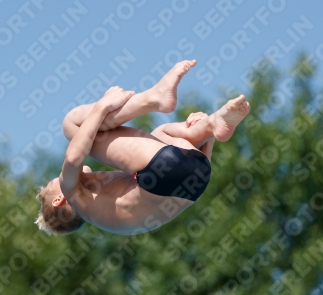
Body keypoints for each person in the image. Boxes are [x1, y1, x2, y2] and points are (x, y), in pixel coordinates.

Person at [35, 60, 250, 236]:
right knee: (72, 125)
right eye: (51, 182)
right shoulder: (72, 192)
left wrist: (207, 137)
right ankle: (153, 98)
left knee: (159, 136)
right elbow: (73, 159)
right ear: (58, 199)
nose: (58, 176)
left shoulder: (103, 207)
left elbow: (181, 179)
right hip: (164, 170)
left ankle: (211, 124)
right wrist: (103, 105)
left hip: (198, 172)